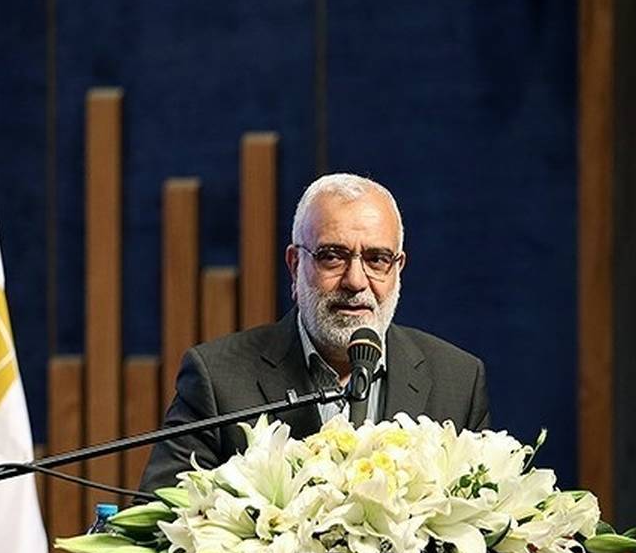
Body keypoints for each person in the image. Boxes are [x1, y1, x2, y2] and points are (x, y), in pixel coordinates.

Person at [139, 173, 491, 493]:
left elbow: (488, 518)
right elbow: (159, 521)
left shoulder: (458, 382)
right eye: (332, 256)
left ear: (397, 269)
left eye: (377, 259)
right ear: (295, 266)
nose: (356, 281)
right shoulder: (217, 379)